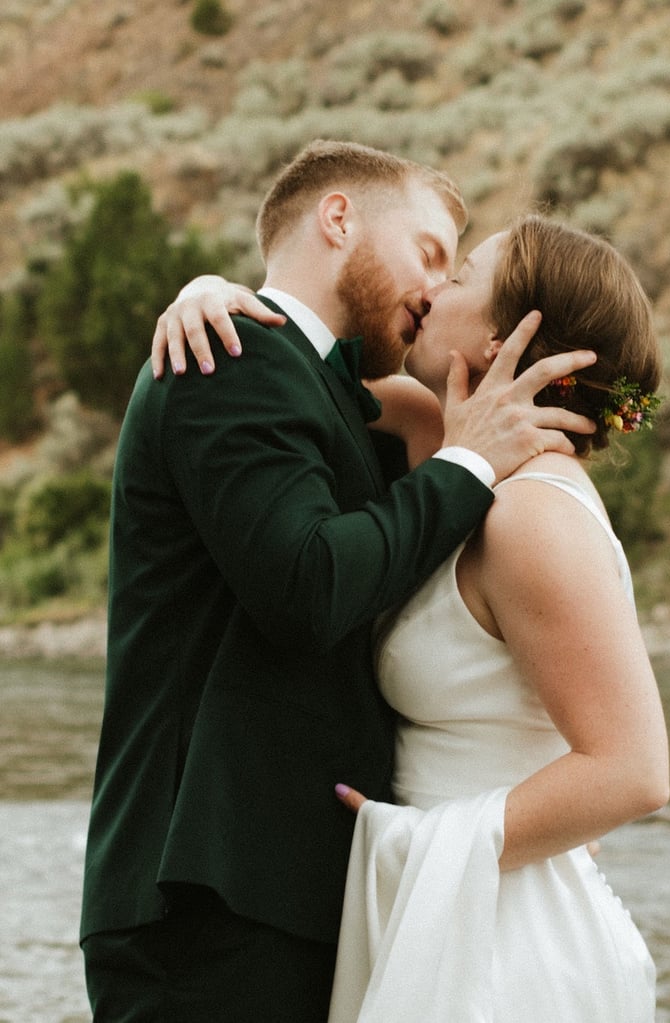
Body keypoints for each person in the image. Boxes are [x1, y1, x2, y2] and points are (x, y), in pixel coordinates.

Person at [79, 141, 597, 1023]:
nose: (434, 288)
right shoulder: (230, 352)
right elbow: (310, 586)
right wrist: (469, 462)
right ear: (338, 217)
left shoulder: (332, 396)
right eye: (428, 252)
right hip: (205, 897)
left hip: (290, 897)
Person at [323, 215, 670, 1021]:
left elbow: (633, 769)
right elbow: (286, 372)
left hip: (505, 946)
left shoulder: (531, 515)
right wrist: (211, 298)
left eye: (460, 276)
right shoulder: (445, 446)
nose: (430, 290)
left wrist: (414, 842)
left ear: (500, 339)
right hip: (440, 915)